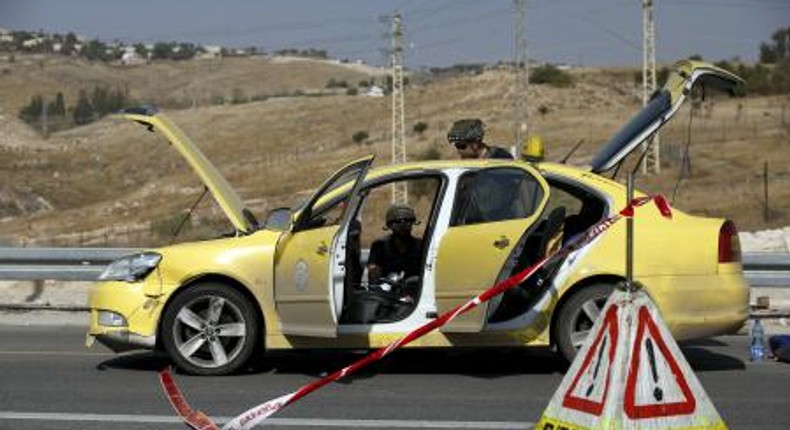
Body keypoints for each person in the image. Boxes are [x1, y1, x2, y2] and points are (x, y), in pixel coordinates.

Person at [366, 203, 423, 287]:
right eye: (397, 221)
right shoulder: (379, 246)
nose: (403, 225)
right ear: (389, 225)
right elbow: (373, 277)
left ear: (412, 223)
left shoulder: (421, 245)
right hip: (388, 294)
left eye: (407, 220)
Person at [447, 118, 513, 160]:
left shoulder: (500, 159)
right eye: (456, 146)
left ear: (475, 145)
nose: (459, 151)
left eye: (461, 146)